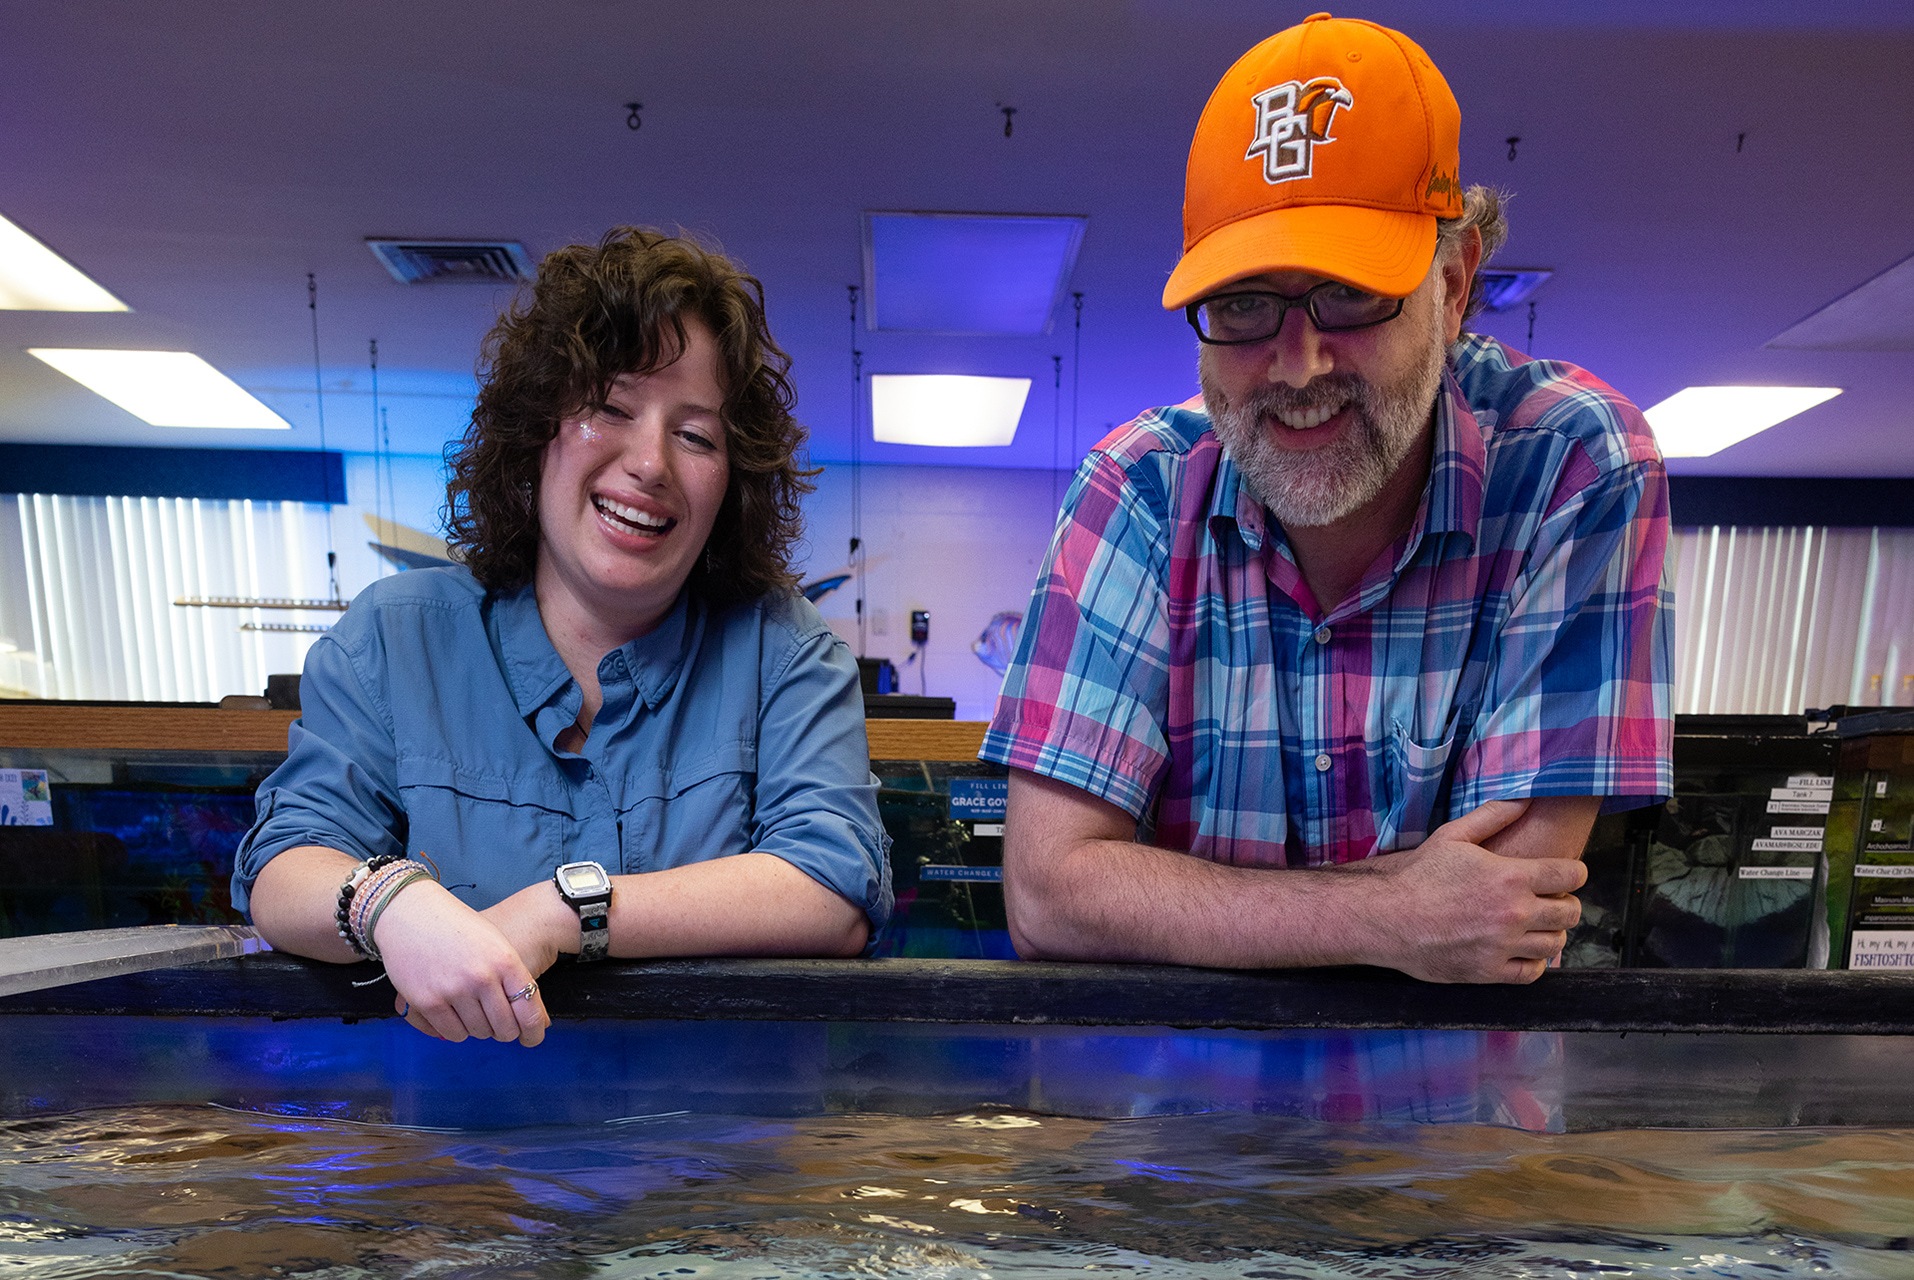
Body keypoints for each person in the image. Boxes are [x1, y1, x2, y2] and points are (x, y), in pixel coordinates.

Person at [982, 14, 1672, 984]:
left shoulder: (1575, 466)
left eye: (1350, 293)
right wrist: (1389, 913)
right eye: (1243, 304)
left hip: (1454, 1126)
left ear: (1455, 279)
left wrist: (1182, 903)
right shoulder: (1134, 486)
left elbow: (1501, 909)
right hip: (1180, 1129)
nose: (1296, 365)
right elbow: (1051, 892)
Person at [234, 228, 892, 1045]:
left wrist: (564, 910)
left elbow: (832, 887)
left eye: (696, 435)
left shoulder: (783, 650)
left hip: (722, 1160)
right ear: (537, 429)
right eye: (611, 408)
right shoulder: (394, 637)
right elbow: (286, 865)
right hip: (456, 1159)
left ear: (735, 484)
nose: (650, 461)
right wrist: (390, 902)